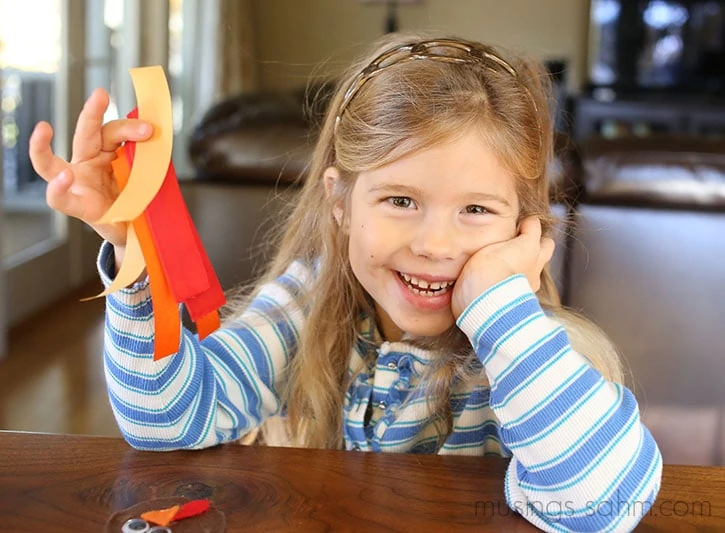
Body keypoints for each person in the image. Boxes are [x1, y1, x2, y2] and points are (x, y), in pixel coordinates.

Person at [29, 32, 661, 532]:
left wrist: (502, 310)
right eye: (401, 201)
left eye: (476, 211)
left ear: (524, 230)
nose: (435, 245)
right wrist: (132, 246)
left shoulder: (541, 350)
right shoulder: (310, 301)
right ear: (341, 202)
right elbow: (167, 420)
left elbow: (596, 509)